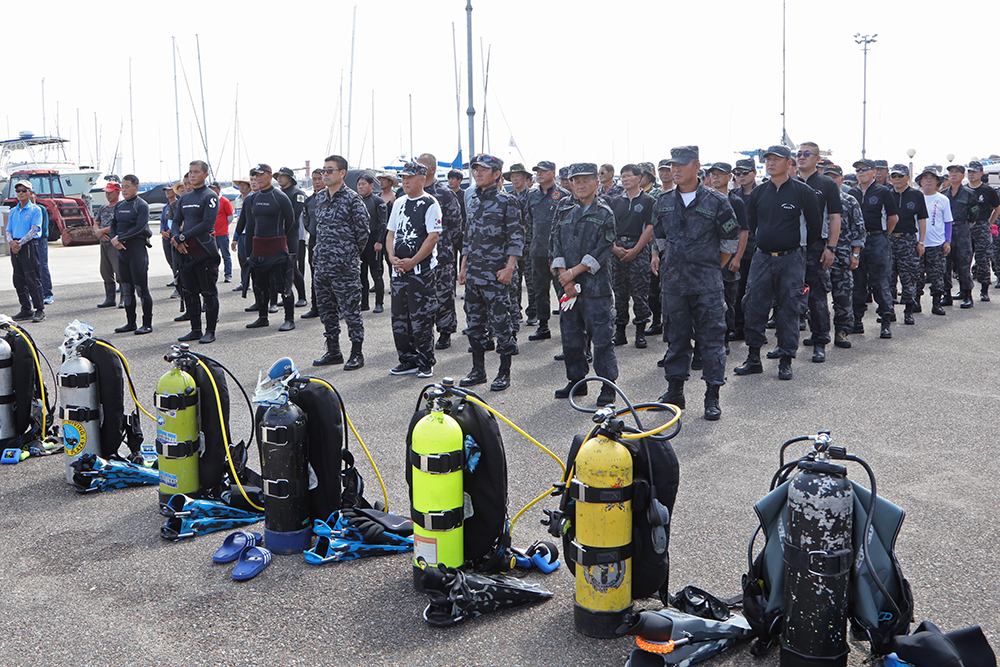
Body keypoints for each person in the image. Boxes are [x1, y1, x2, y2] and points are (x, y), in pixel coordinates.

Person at [653, 147, 738, 419]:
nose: (675, 170)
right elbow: (661, 237)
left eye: (681, 165)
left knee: (712, 341)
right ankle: (675, 391)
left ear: (696, 166)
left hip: (707, 286)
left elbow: (729, 242)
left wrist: (710, 267)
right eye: (671, 165)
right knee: (675, 339)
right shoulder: (663, 200)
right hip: (674, 285)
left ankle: (712, 395)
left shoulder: (716, 201)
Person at [735, 145, 821, 381]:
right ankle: (753, 358)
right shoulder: (759, 192)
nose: (771, 163)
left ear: (788, 163)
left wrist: (794, 246)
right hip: (762, 257)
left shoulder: (802, 192)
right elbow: (752, 224)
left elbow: (814, 226)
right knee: (754, 305)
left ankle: (785, 359)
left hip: (792, 259)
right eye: (768, 159)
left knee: (789, 308)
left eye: (777, 159)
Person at [550, 163, 617, 407]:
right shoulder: (565, 211)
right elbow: (554, 244)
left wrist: (573, 273)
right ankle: (576, 381)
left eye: (586, 180)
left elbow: (603, 249)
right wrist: (563, 276)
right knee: (571, 337)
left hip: (595, 289)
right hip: (567, 287)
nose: (580, 185)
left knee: (601, 339)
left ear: (596, 183)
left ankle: (608, 386)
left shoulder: (605, 213)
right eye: (575, 180)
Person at [458, 154, 522, 392]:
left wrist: (510, 268)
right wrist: (463, 265)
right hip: (474, 274)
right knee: (474, 324)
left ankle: (504, 373)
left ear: (497, 175)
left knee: (501, 323)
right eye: (476, 169)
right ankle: (478, 371)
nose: (478, 173)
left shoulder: (508, 202)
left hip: (496, 275)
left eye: (483, 170)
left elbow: (516, 237)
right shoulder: (473, 200)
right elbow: (468, 236)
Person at [311, 155, 370, 370]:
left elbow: (363, 232)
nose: (324, 175)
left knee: (351, 312)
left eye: (329, 171)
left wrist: (349, 255)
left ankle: (356, 353)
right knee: (327, 312)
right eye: (323, 171)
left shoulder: (353, 199)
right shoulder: (320, 198)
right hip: (322, 266)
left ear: (342, 173)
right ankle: (333, 351)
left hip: (344, 267)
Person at [385, 160, 442, 377]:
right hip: (398, 269)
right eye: (403, 177)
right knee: (399, 318)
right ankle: (407, 359)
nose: (405, 181)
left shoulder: (430, 203)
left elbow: (432, 237)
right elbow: (390, 233)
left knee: (422, 318)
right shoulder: (399, 202)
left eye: (409, 177)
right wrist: (391, 257)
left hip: (421, 272)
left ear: (422, 179)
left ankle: (426, 360)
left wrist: (413, 261)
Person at [794, 142, 841, 363]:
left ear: (817, 158)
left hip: (816, 247)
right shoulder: (788, 182)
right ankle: (787, 343)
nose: (801, 157)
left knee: (817, 295)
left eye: (806, 154)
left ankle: (820, 339)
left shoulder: (826, 184)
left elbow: (834, 217)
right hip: (790, 246)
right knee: (788, 295)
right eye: (798, 154)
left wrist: (830, 247)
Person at [242, 164, 298, 333]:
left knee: (283, 285)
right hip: (259, 248)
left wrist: (281, 242)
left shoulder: (279, 197)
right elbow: (250, 225)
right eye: (255, 175)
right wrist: (249, 250)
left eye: (261, 175)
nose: (257, 178)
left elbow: (290, 223)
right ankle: (263, 317)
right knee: (259, 285)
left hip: (277, 248)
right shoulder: (252, 198)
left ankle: (289, 319)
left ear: (269, 175)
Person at [170, 160, 221, 344]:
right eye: (190, 172)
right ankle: (195, 330)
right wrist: (176, 237)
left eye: (196, 172)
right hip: (185, 252)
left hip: (204, 251)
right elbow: (176, 222)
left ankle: (210, 331)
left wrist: (182, 237)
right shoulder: (185, 198)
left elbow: (207, 224)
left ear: (205, 175)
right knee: (189, 292)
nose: (192, 175)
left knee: (208, 292)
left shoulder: (209, 196)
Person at [415, 154, 462, 350]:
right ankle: (423, 333)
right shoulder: (410, 192)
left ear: (432, 169)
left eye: (421, 166)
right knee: (420, 295)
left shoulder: (444, 193)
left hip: (441, 254)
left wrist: (445, 245)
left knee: (443, 294)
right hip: (416, 254)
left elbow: (456, 224)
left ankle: (445, 331)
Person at [849, 158, 899, 338]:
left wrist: (883, 234)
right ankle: (856, 320)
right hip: (856, 242)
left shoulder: (883, 191)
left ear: (873, 171)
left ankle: (885, 321)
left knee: (880, 282)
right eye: (857, 170)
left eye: (864, 169)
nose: (860, 172)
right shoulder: (852, 193)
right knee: (857, 282)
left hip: (877, 239)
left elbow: (893, 218)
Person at [609, 163, 655, 349]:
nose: (625, 179)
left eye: (629, 175)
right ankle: (620, 332)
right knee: (619, 292)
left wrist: (636, 249)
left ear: (639, 177)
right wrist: (614, 248)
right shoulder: (615, 201)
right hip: (618, 248)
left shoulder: (648, 201)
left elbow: (650, 228)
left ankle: (640, 332)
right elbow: (607, 227)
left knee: (640, 292)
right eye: (623, 176)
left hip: (639, 249)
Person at [525, 160, 570, 343]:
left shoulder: (564, 196)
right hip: (538, 250)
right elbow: (528, 222)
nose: (539, 174)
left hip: (559, 253)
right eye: (537, 171)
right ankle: (543, 326)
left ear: (553, 173)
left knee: (563, 291)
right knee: (540, 290)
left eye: (543, 171)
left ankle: (568, 330)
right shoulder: (532, 195)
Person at [823, 165, 866, 348]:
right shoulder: (815, 199)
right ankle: (821, 333)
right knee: (816, 298)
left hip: (842, 256)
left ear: (841, 179)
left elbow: (859, 230)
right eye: (827, 177)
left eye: (834, 177)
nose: (831, 181)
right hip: (819, 255)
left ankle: (842, 332)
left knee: (843, 296)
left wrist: (855, 254)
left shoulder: (849, 201)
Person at [708, 162, 749, 346]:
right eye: (713, 174)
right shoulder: (705, 199)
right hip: (709, 257)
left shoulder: (736, 201)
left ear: (729, 177)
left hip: (729, 257)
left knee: (727, 299)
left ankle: (724, 339)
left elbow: (743, 231)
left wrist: (738, 257)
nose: (716, 177)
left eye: (720, 174)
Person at [110, 175, 153, 334]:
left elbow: (140, 227)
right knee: (126, 288)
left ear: (136, 187)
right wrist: (115, 240)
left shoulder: (141, 205)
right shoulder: (120, 205)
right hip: (122, 251)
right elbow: (113, 224)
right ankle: (130, 322)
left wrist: (120, 238)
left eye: (127, 186)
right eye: (123, 186)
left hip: (136, 250)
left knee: (141, 289)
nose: (124, 189)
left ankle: (147, 323)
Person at [887, 164, 928, 325]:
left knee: (909, 276)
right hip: (889, 239)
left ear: (907, 177)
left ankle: (909, 310)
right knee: (888, 276)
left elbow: (922, 219)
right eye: (894, 176)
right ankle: (889, 310)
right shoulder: (886, 193)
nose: (896, 179)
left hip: (908, 239)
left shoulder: (916, 195)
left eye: (900, 176)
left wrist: (921, 242)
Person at [6, 180, 46, 322]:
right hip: (16, 245)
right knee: (18, 279)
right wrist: (11, 242)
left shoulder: (36, 210)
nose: (21, 193)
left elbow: (34, 229)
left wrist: (19, 243)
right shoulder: (13, 211)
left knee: (32, 277)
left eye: (24, 190)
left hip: (28, 245)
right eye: (18, 190)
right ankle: (26, 309)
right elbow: (8, 229)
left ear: (30, 192)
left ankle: (39, 309)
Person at [916, 166, 952, 316]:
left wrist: (947, 241)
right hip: (918, 243)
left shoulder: (943, 199)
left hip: (936, 244)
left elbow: (948, 222)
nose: (929, 181)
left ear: (937, 181)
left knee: (937, 275)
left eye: (932, 178)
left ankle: (937, 303)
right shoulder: (916, 197)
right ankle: (915, 302)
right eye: (925, 178)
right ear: (921, 181)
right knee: (916, 275)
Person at [646, 160, 677, 338]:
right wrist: (655, 252)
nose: (665, 173)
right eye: (662, 170)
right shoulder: (654, 195)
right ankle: (657, 321)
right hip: (658, 247)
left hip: (676, 250)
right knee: (653, 289)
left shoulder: (680, 193)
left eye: (668, 170)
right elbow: (654, 226)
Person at [729, 158, 758, 340]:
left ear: (754, 173)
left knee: (756, 293)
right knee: (738, 292)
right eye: (738, 173)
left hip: (758, 248)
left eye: (745, 172)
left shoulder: (763, 193)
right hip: (738, 249)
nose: (741, 176)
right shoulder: (733, 196)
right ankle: (739, 327)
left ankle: (755, 330)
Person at [941, 163, 975, 308]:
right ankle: (946, 295)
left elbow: (974, 215)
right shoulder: (943, 194)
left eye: (957, 172)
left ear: (963, 176)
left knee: (963, 264)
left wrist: (964, 227)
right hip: (946, 232)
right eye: (951, 172)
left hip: (962, 230)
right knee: (945, 265)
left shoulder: (969, 194)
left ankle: (967, 294)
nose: (953, 174)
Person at [965, 161, 1000, 301]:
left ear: (981, 173)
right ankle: (965, 290)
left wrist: (989, 223)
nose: (971, 174)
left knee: (983, 258)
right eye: (969, 172)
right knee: (964, 260)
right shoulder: (963, 190)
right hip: (966, 228)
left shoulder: (988, 190)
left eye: (974, 172)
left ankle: (984, 290)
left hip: (981, 226)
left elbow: (997, 208)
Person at [275, 167, 309, 307]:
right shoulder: (277, 193)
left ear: (290, 178)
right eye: (278, 176)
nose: (279, 179)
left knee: (292, 267)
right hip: (278, 236)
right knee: (280, 267)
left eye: (282, 176)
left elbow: (295, 215)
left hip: (291, 235)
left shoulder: (298, 193)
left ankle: (302, 296)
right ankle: (286, 295)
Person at [355, 171, 388, 313]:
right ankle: (364, 303)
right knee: (361, 274)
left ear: (371, 185)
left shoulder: (378, 201)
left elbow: (383, 223)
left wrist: (380, 241)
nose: (360, 187)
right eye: (359, 184)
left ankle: (379, 303)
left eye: (363, 184)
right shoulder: (355, 201)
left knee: (376, 273)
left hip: (374, 240)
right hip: (359, 243)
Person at [300, 169, 325, 317]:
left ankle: (337, 308)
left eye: (319, 179)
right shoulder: (309, 201)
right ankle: (315, 306)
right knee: (315, 274)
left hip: (331, 241)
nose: (316, 182)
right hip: (315, 240)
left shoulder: (332, 198)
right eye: (314, 179)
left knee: (333, 275)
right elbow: (306, 221)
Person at [95, 178, 122, 308]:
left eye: (110, 192)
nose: (108, 194)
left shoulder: (121, 207)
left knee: (119, 270)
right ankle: (110, 298)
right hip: (104, 243)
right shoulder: (103, 207)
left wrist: (102, 231)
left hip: (115, 242)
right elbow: (96, 221)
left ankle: (124, 297)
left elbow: (118, 225)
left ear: (118, 192)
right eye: (106, 192)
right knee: (105, 270)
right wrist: (98, 232)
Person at [27, 191, 53, 304]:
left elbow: (43, 228)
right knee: (31, 267)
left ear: (35, 196)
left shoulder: (41, 209)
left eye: (32, 194)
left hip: (40, 240)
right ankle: (36, 293)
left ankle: (47, 293)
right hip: (29, 241)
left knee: (42, 265)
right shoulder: (25, 210)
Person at [209, 181, 234, 284]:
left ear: (219, 189)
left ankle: (228, 275)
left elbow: (230, 217)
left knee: (225, 255)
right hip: (211, 234)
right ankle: (214, 275)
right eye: (210, 188)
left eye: (214, 188)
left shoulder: (225, 201)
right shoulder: (209, 201)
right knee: (213, 256)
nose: (212, 190)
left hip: (222, 233)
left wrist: (223, 226)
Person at [230, 175, 252, 292]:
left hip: (251, 233)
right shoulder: (238, 199)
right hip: (241, 233)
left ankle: (255, 282)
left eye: (243, 184)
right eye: (240, 184)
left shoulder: (253, 197)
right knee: (242, 259)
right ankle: (244, 282)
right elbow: (239, 220)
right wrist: (235, 238)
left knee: (252, 259)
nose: (241, 186)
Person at [160, 184, 178, 295]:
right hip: (165, 237)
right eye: (166, 190)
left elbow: (176, 221)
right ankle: (175, 278)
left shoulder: (177, 205)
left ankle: (179, 283)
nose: (167, 192)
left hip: (173, 236)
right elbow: (163, 221)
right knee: (170, 259)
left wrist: (170, 231)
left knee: (176, 260)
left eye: (170, 190)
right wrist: (162, 231)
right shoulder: (165, 207)